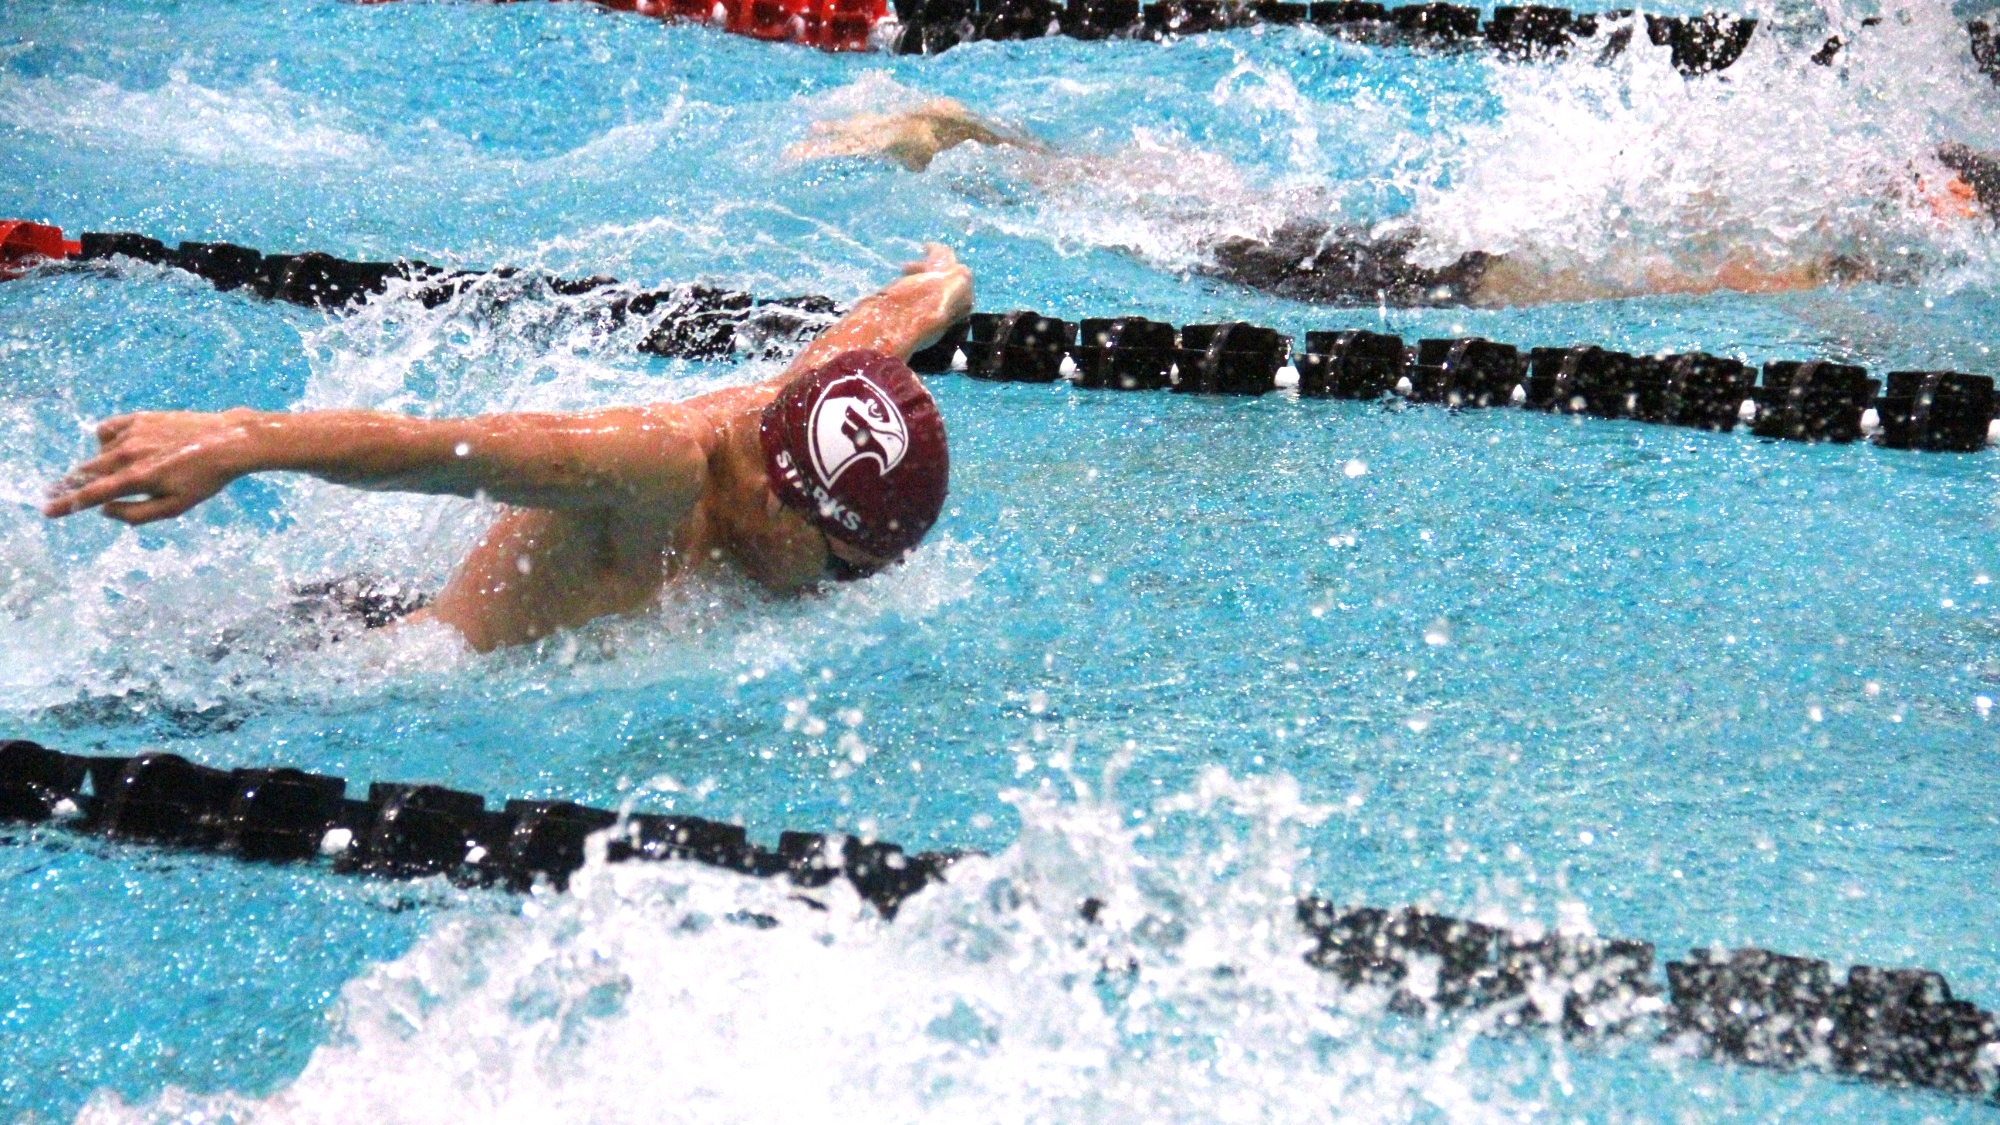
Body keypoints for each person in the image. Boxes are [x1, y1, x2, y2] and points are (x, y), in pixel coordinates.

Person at [42, 244, 974, 652]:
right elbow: (451, 450)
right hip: (353, 671)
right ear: (777, 501)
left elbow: (900, 316)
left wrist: (947, 282)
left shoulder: (800, 407)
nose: (840, 592)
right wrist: (241, 440)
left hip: (388, 601)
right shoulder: (661, 468)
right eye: (843, 568)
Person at [791, 99, 1997, 308]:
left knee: (1196, 210)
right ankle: (961, 138)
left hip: (1440, 245)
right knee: (1189, 237)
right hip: (1439, 278)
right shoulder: (1803, 244)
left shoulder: (1793, 198)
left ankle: (976, 135)